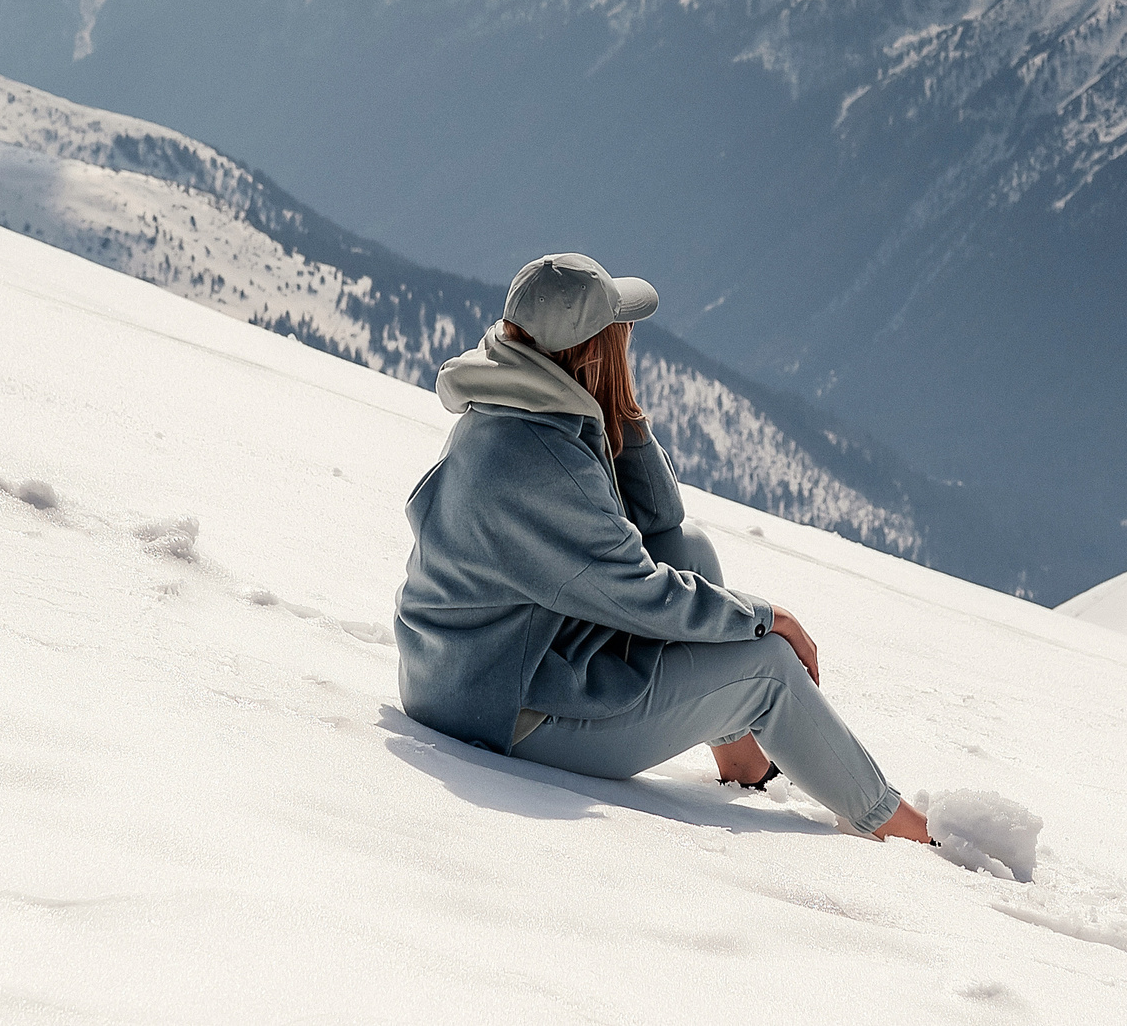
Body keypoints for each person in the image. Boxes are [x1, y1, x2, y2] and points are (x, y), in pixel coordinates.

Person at [393, 252, 929, 844]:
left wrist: (618, 413)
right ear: (594, 349)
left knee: (688, 549)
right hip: (499, 709)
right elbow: (640, 594)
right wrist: (767, 618)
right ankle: (899, 828)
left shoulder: (517, 404)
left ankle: (742, 758)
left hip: (480, 664)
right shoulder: (540, 462)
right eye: (619, 335)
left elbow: (660, 523)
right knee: (771, 669)